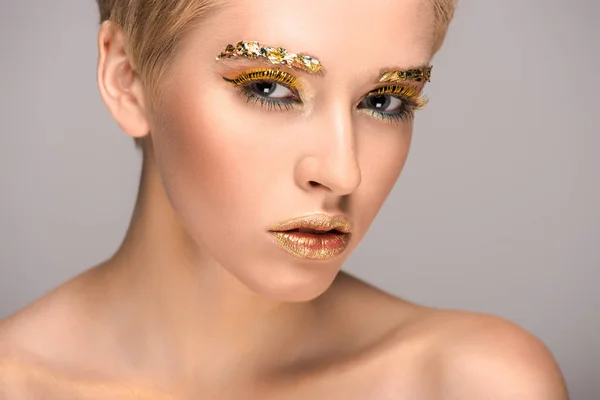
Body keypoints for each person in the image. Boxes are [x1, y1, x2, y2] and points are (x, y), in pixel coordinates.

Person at [0, 0, 569, 398]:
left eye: (386, 101)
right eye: (270, 87)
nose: (342, 171)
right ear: (126, 77)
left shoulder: (474, 385)